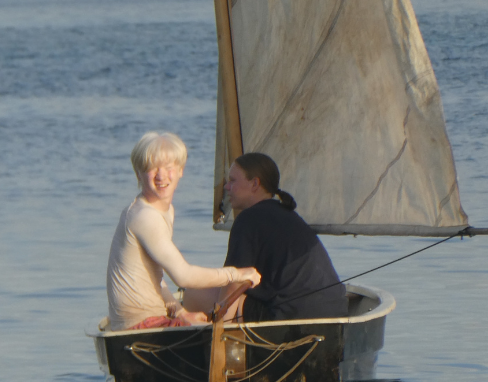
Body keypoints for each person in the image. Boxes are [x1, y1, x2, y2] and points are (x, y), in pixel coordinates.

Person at [106, 132, 261, 331]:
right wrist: (237, 274)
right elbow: (184, 276)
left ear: (180, 170)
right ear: (138, 173)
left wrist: (180, 312)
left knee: (205, 309)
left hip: (151, 317)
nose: (161, 176)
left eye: (168, 167)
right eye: (152, 168)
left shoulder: (163, 210)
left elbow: (156, 277)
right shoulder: (145, 216)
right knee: (227, 320)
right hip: (140, 325)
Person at [222, 153, 348, 322]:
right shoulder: (290, 215)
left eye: (232, 181)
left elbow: (233, 283)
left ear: (255, 183)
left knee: (201, 294)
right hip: (336, 310)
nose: (226, 187)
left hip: (288, 316)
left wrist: (217, 323)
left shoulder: (247, 219)